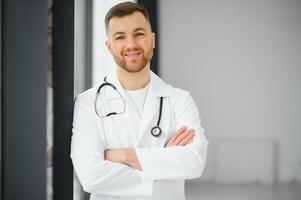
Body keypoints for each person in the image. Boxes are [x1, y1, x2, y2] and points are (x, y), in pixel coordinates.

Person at [71, 2, 208, 200]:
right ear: (109, 46)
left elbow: (194, 162)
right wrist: (162, 162)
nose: (131, 44)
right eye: (120, 37)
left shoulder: (179, 100)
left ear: (152, 39)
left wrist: (127, 156)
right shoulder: (87, 103)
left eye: (139, 34)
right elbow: (91, 177)